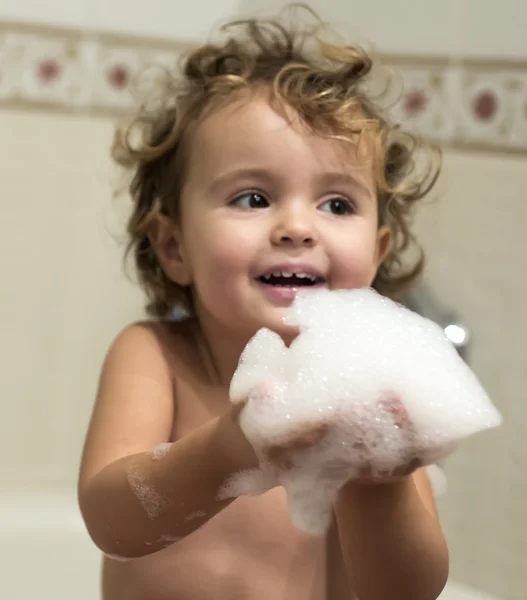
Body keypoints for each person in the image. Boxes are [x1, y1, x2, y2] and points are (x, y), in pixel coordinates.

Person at [78, 5, 449, 599]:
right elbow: (112, 520)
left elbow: (407, 592)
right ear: (173, 246)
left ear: (378, 251)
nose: (298, 227)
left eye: (337, 205)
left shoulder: (375, 388)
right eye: (253, 198)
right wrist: (227, 451)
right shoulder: (156, 357)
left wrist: (378, 486)